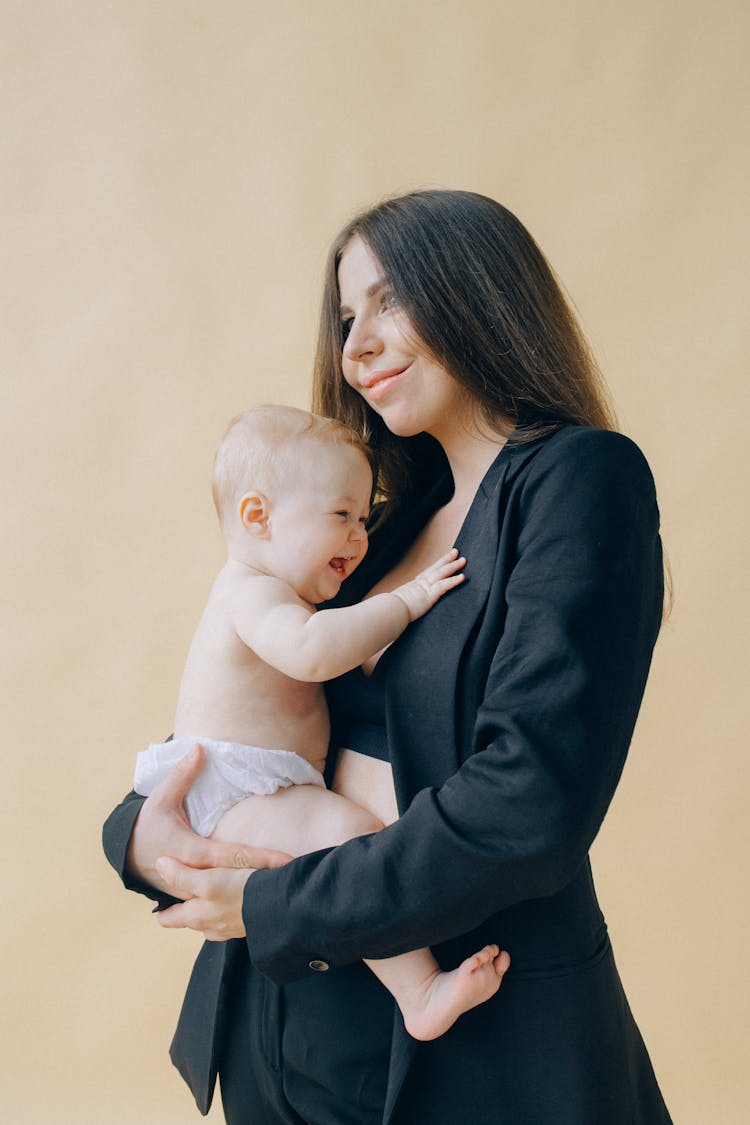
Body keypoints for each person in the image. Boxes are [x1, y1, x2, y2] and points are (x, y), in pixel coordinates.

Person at [104, 189, 673, 1124]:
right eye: (344, 317)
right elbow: (245, 712)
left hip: (476, 1044)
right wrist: (139, 833)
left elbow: (528, 804)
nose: (355, 344)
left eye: (389, 299)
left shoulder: (578, 480)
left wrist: (278, 902)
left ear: (480, 291)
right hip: (279, 1025)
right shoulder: (379, 519)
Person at [132, 402, 508, 1041]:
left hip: (259, 782)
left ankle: (408, 987)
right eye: (341, 516)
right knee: (346, 836)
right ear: (259, 517)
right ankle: (418, 992)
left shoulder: (274, 589)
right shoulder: (251, 591)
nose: (360, 537)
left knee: (341, 843)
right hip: (238, 788)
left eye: (364, 518)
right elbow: (312, 650)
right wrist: (408, 600)